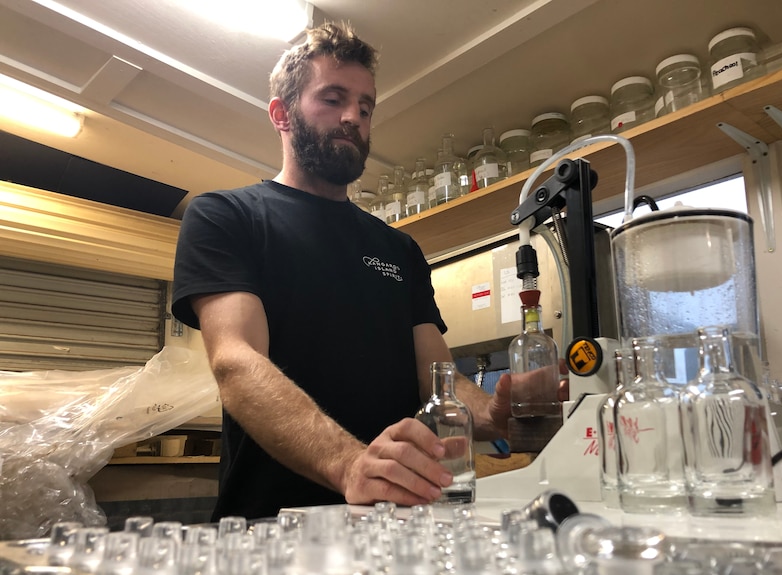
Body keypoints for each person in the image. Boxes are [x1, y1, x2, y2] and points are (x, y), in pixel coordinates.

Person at [171, 22, 520, 521]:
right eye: (332, 98)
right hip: (272, 525)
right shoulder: (227, 216)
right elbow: (236, 361)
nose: (353, 116)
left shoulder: (398, 249)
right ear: (281, 114)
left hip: (396, 521)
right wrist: (350, 464)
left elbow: (437, 379)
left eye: (365, 105)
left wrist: (491, 415)